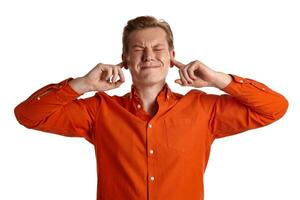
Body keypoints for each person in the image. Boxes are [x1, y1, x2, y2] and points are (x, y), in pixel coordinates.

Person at [14, 15, 288, 200]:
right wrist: (83, 84)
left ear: (171, 57)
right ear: (124, 58)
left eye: (158, 48)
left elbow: (274, 108)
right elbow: (27, 115)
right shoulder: (98, 111)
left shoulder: (204, 109)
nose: (148, 56)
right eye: (138, 49)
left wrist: (218, 79)